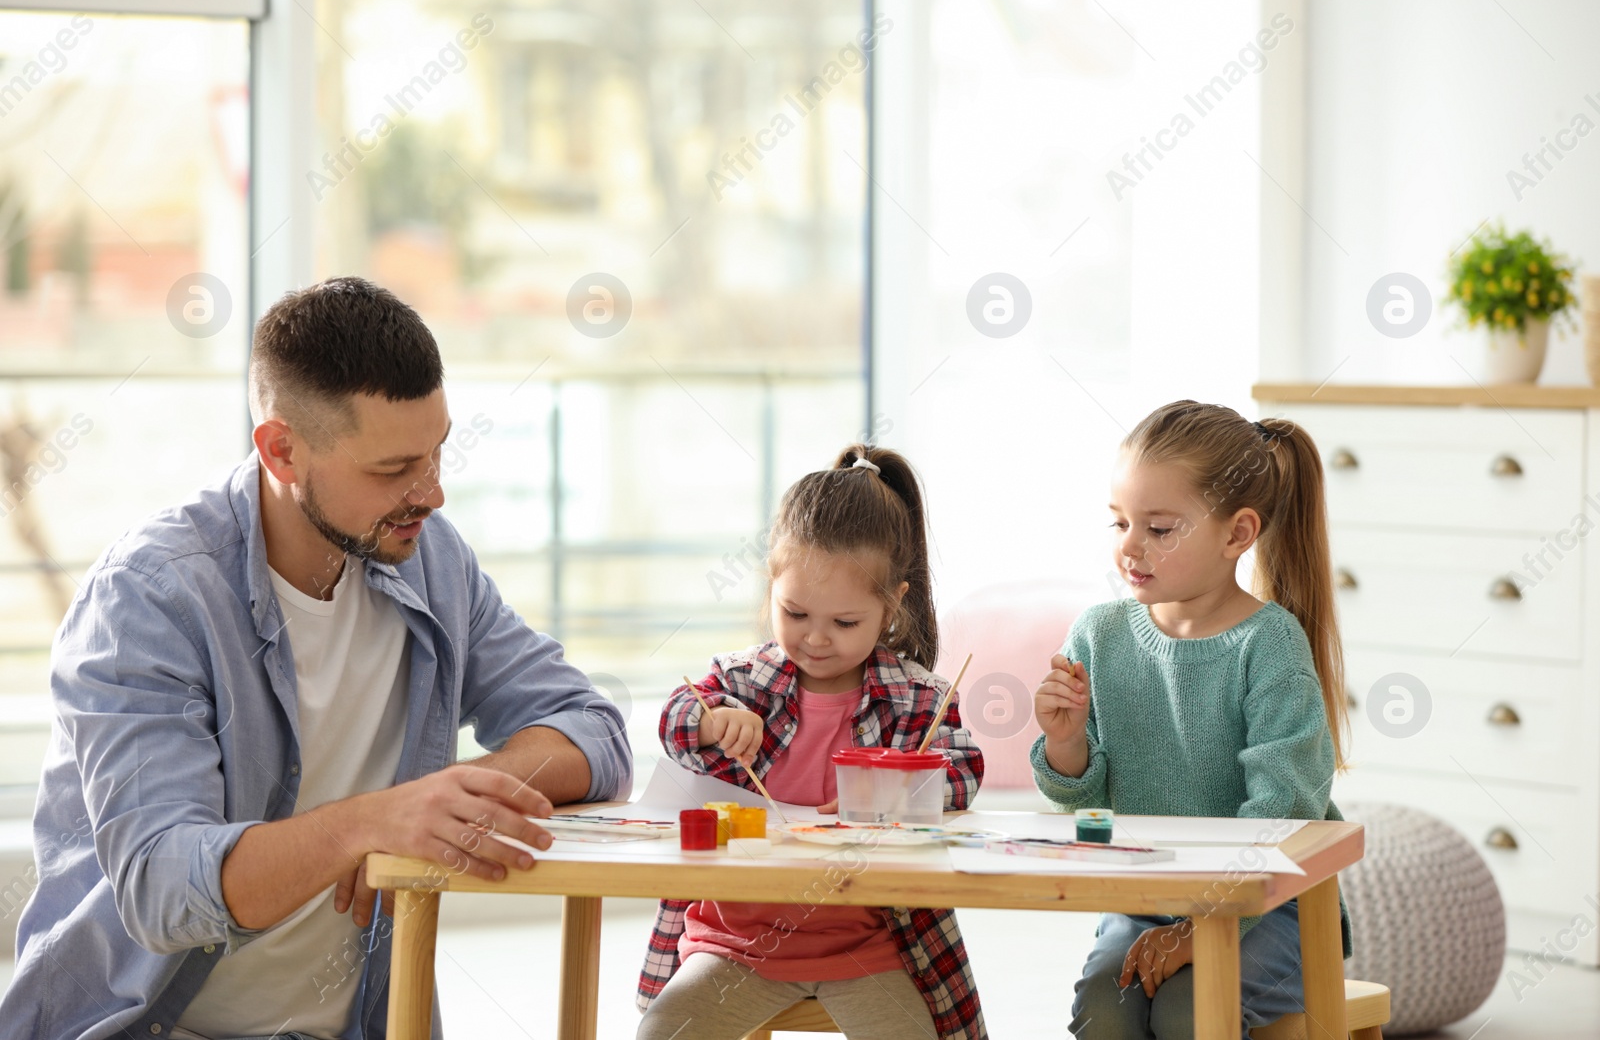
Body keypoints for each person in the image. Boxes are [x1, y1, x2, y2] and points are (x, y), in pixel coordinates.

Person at [1, 277, 632, 1040]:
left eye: (437, 453)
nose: (431, 493)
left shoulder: (430, 562)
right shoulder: (151, 598)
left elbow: (592, 727)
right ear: (281, 449)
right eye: (393, 469)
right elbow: (163, 884)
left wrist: (436, 804)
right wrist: (367, 824)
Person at [636, 444, 986, 1040]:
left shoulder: (918, 698)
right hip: (733, 942)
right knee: (665, 1030)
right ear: (771, 584)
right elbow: (674, 721)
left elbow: (965, 772)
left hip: (870, 945)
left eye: (845, 623)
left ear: (893, 604)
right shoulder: (742, 680)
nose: (816, 639)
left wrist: (897, 782)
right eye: (794, 613)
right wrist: (712, 718)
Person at [1032, 400, 1353, 1039]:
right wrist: (1066, 744)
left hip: (1268, 908)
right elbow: (1091, 811)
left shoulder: (1269, 645)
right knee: (1104, 1010)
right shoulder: (1098, 634)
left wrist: (1204, 927)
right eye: (1120, 522)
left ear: (1237, 534)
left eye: (1159, 527)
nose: (1130, 546)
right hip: (1144, 903)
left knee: (1188, 1007)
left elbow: (1283, 811)